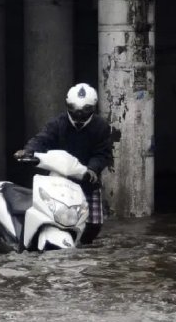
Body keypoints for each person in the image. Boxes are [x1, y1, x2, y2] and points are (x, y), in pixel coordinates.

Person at [13, 82, 113, 244]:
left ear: (92, 109)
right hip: (60, 181)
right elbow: (42, 139)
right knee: (52, 216)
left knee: (93, 225)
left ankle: (84, 247)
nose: (79, 116)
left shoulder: (101, 127)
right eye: (75, 111)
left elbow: (103, 153)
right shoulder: (58, 123)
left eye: (84, 112)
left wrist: (93, 169)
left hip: (88, 180)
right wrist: (28, 151)